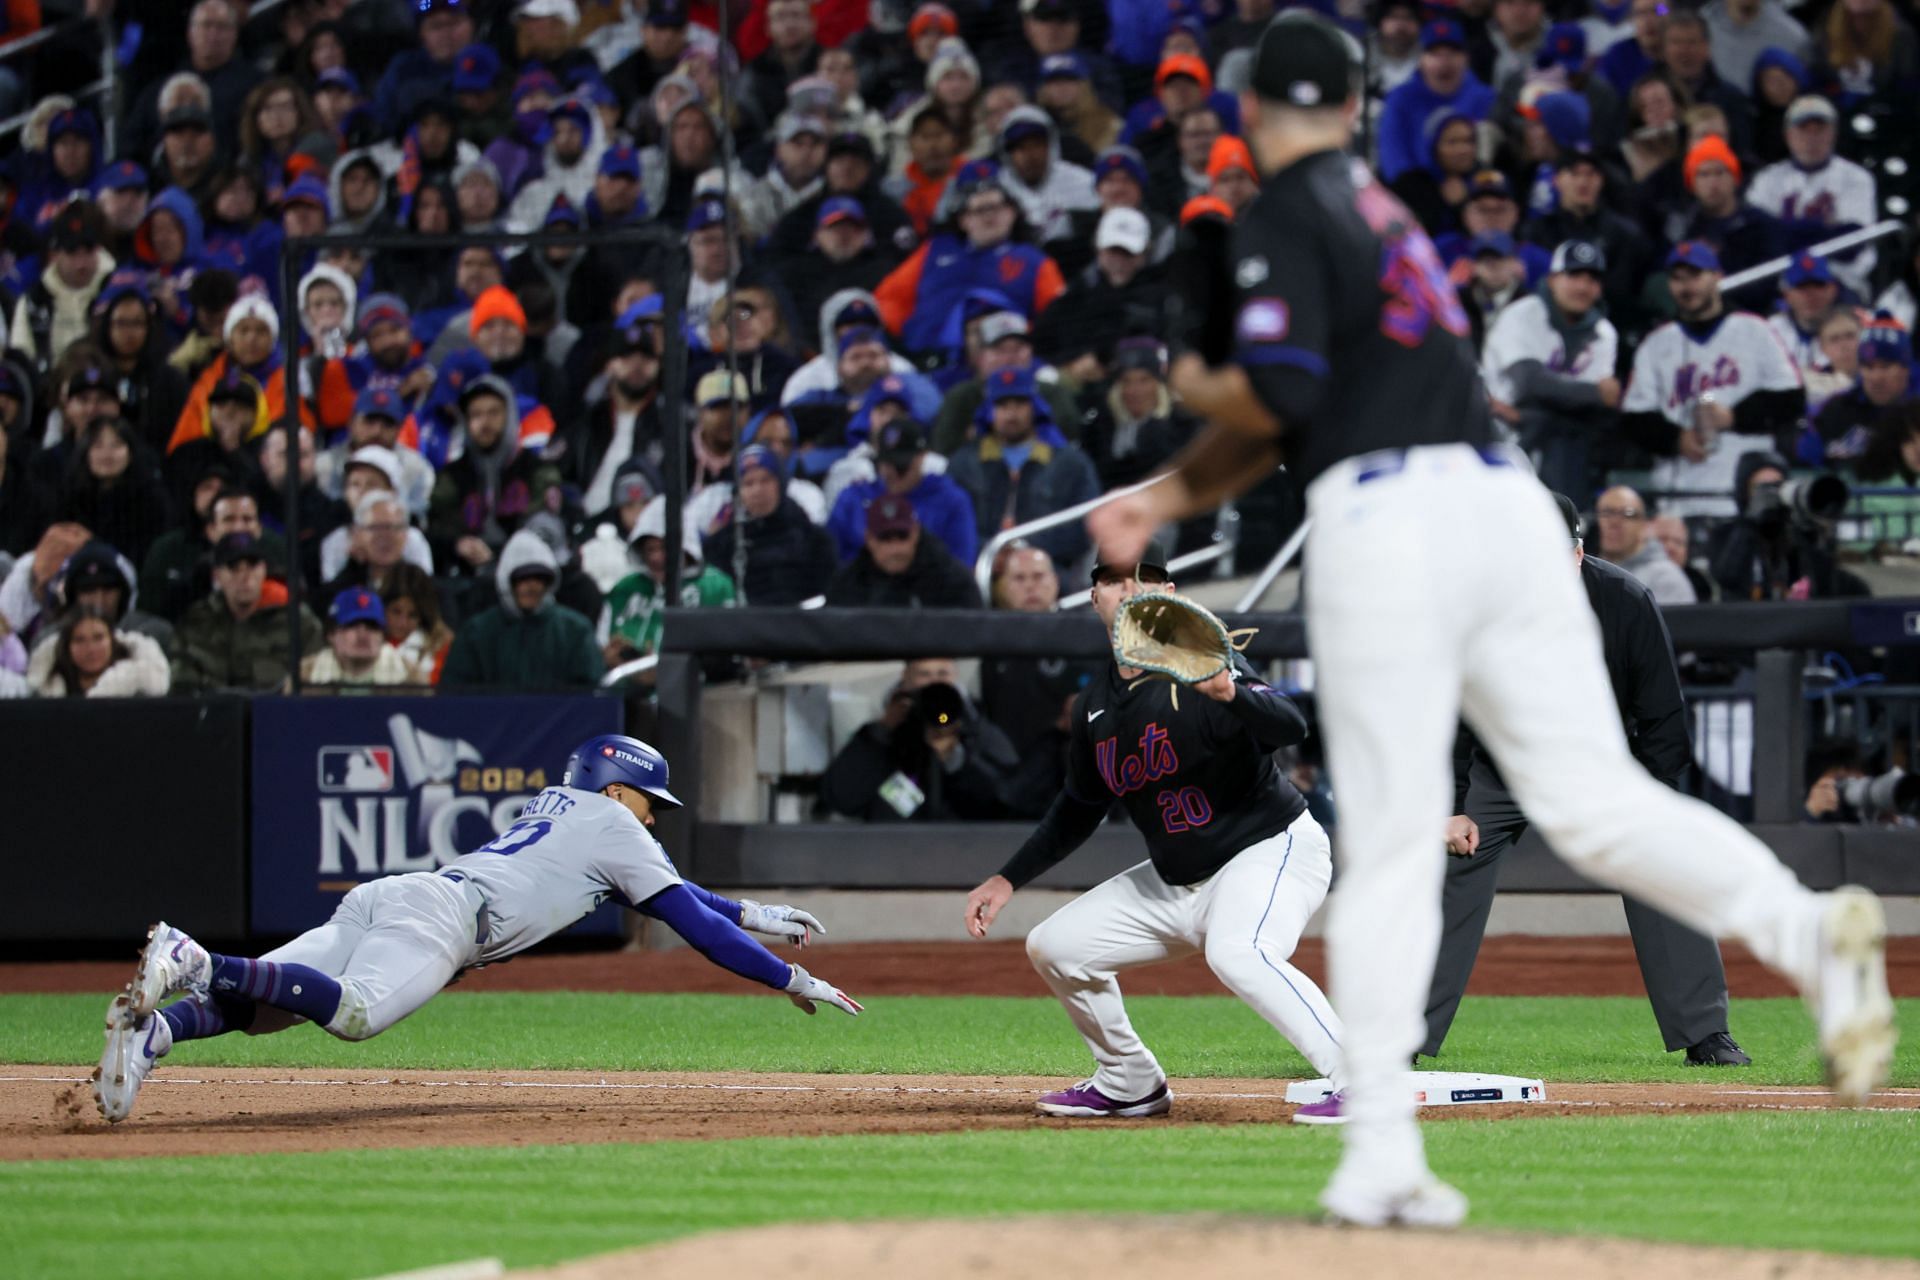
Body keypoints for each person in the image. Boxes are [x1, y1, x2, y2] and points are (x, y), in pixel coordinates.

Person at [1085, 13, 1891, 1227]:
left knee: (1401, 842)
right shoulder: (1383, 209)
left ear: (1256, 109)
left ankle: (1384, 1157)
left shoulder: (1288, 212)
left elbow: (1280, 397)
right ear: (1356, 105)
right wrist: (1190, 431)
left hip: (1388, 518)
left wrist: (1167, 470)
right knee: (1601, 803)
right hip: (1510, 509)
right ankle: (1813, 931)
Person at [92, 734, 860, 1123]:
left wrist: (753, 912)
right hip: (448, 920)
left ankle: (152, 1036)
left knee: (273, 1011)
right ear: (619, 787)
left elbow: (671, 894)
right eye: (650, 800)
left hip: (400, 894)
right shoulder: (618, 829)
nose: (656, 815)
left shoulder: (571, 810)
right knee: (354, 1015)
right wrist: (786, 975)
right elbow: (688, 921)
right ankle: (197, 958)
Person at [964, 540, 1342, 1118]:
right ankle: (1128, 1079)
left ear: (1169, 596)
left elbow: (1290, 725)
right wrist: (1007, 878)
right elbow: (1079, 804)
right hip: (1177, 882)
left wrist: (1230, 691)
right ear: (1094, 598)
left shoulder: (1202, 666)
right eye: (1116, 580)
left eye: (1146, 578)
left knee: (1239, 951)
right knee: (1058, 946)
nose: (1131, 590)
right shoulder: (1094, 705)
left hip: (1268, 851)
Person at [1427, 494, 1746, 1066]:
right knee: (1443, 865)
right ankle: (1399, 1037)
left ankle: (1706, 1033)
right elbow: (1450, 718)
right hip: (1501, 766)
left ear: (1577, 552)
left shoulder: (1625, 601)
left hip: (1601, 768)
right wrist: (1450, 808)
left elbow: (1665, 722)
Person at [1618, 242, 1806, 518]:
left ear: (1717, 276)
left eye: (1695, 276)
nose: (1686, 287)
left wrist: (1733, 416)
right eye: (1677, 278)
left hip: (1745, 494)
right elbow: (1634, 418)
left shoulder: (1754, 330)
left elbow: (1791, 399)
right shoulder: (1656, 344)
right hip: (1677, 500)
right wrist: (1676, 439)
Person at [1479, 240, 1620, 499]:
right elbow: (1529, 385)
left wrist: (1543, 404)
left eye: (1592, 279)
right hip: (1503, 443)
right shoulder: (1521, 315)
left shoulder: (1603, 333)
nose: (1582, 286)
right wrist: (1594, 392)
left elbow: (1590, 413)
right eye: (1574, 275)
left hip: (1562, 453)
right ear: (1553, 279)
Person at [818, 657, 1017, 822]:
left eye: (942, 674)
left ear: (955, 678)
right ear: (905, 678)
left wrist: (956, 760)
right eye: (924, 674)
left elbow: (1007, 799)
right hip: (893, 850)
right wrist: (883, 731)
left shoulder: (976, 730)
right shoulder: (886, 731)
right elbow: (842, 799)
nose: (934, 682)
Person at [947, 366, 1099, 575]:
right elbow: (951, 522)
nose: (1011, 413)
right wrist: (991, 551)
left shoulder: (1071, 464)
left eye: (1020, 403)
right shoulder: (963, 464)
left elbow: (1084, 525)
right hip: (979, 569)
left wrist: (1026, 551)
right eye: (1002, 405)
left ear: (1034, 406)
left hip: (1051, 571)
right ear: (989, 410)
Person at [1746, 96, 1878, 295]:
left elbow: (1850, 246)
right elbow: (1761, 241)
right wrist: (1825, 230)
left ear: (1833, 133)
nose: (1811, 137)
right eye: (1803, 129)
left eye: (1819, 129)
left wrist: (1785, 233)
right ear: (1788, 135)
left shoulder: (1857, 178)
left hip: (1841, 284)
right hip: (1780, 287)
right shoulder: (1767, 179)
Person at [440, 529, 604, 690]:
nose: (531, 586)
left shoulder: (576, 631)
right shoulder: (476, 632)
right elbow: (454, 692)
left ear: (550, 583)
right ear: (506, 581)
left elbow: (592, 693)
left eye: (540, 578)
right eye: (523, 578)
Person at [170, 532, 324, 694]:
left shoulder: (298, 621)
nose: (245, 577)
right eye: (234, 568)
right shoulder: (195, 622)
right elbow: (182, 683)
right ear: (217, 576)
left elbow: (318, 677)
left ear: (264, 569)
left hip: (280, 714)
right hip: (213, 714)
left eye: (252, 566)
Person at [824, 494, 981, 608]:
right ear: (869, 539)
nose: (895, 548)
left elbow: (973, 633)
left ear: (915, 534)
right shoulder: (848, 584)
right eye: (885, 538)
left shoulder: (950, 579)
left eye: (902, 536)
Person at [26, 606, 172, 698]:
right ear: (67, 646)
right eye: (79, 640)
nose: (90, 649)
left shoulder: (140, 688)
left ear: (112, 640)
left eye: (98, 638)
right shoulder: (46, 690)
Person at [1591, 485, 1696, 604]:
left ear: (1644, 526)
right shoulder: (1583, 574)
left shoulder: (1665, 578)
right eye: (1606, 513)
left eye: (1627, 514)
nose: (1614, 523)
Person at [301, 587, 418, 687]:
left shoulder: (411, 678)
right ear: (331, 634)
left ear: (383, 636)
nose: (363, 634)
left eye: (372, 626)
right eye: (351, 625)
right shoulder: (304, 677)